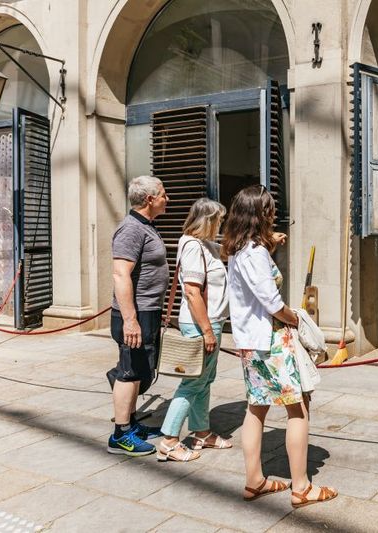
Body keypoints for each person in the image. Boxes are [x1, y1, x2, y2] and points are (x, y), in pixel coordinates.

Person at [222, 184, 337, 506]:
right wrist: (297, 320)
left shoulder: (236, 249)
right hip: (270, 341)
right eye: (270, 208)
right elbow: (272, 303)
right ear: (261, 214)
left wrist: (269, 244)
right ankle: (301, 487)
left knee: (256, 408)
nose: (274, 213)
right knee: (298, 409)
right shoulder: (254, 254)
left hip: (249, 341)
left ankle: (255, 480)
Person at [156, 198, 233, 462]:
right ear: (209, 220)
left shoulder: (207, 246)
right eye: (219, 219)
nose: (221, 223)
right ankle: (168, 440)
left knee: (204, 380)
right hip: (202, 323)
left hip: (211, 321)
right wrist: (207, 331)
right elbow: (191, 291)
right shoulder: (191, 246)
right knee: (192, 382)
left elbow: (230, 250)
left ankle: (202, 432)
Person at [107, 175, 169, 456]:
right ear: (150, 199)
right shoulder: (131, 229)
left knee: (140, 369)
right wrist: (130, 319)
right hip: (135, 312)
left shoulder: (146, 226)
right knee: (129, 371)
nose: (167, 199)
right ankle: (120, 435)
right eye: (163, 194)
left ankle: (131, 424)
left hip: (147, 310)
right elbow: (121, 274)